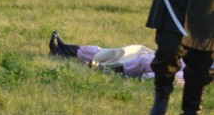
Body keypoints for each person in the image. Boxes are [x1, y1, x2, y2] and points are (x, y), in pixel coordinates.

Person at [48, 31, 182, 81]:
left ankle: (107, 69)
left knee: (142, 60)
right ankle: (66, 50)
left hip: (157, 68)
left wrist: (149, 77)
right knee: (123, 52)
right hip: (166, 58)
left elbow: (179, 79)